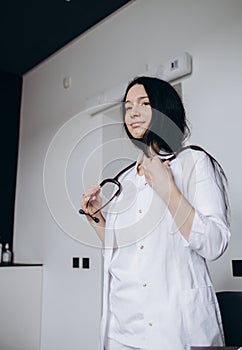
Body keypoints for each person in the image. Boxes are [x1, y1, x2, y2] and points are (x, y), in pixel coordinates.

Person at [80, 76, 231, 350]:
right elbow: (126, 250)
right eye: (127, 107)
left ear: (164, 109)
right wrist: (97, 218)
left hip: (173, 325)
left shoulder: (193, 163)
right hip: (121, 327)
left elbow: (215, 243)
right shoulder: (124, 180)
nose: (133, 113)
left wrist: (168, 189)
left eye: (144, 103)